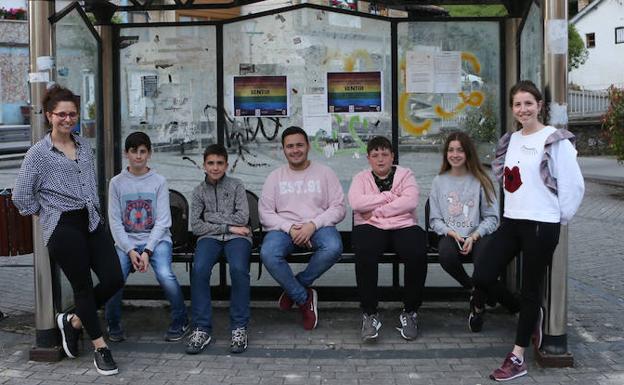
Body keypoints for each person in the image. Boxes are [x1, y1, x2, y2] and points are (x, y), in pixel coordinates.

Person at [472, 80, 584, 381]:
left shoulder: (554, 139)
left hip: (541, 224)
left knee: (531, 288)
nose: (523, 109)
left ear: (539, 106)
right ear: (512, 108)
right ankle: (530, 314)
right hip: (512, 220)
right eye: (517, 104)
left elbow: (574, 185)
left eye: (528, 103)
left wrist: (557, 218)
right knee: (482, 273)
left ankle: (517, 356)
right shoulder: (511, 140)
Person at [12, 85, 124, 376]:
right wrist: (48, 213)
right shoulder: (38, 154)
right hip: (63, 226)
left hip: (91, 221)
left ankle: (73, 322)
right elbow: (21, 197)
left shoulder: (84, 145)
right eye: (61, 114)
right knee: (83, 287)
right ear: (49, 116)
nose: (67, 119)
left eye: (72, 114)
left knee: (114, 277)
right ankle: (101, 347)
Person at [429, 131, 519, 332]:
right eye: (451, 150)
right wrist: (451, 233)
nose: (455, 154)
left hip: (479, 235)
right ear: (446, 154)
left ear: (468, 153)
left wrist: (475, 235)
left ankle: (477, 308)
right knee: (446, 255)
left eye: (460, 150)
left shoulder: (481, 179)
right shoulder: (439, 181)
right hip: (451, 235)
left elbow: (492, 217)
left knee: (484, 265)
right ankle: (475, 290)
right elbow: (434, 219)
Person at [259, 126, 345, 330]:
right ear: (283, 150)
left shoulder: (325, 173)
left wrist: (312, 225)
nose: (295, 150)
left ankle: (294, 288)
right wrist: (290, 228)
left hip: (318, 226)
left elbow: (339, 208)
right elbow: (265, 213)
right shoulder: (275, 177)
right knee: (268, 253)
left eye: (299, 145)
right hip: (284, 230)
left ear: (308, 146)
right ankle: (303, 298)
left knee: (333, 247)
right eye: (290, 146)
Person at [105, 132, 188, 343]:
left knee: (165, 274)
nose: (138, 156)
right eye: (134, 151)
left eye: (143, 151)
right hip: (127, 242)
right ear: (126, 154)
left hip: (157, 240)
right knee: (114, 278)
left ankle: (180, 320)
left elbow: (163, 221)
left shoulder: (159, 181)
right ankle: (113, 324)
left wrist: (148, 251)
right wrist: (131, 250)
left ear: (149, 153)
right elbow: (115, 222)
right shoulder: (116, 183)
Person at [348, 136, 427, 342]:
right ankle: (370, 314)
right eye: (375, 155)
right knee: (364, 252)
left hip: (402, 224)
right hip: (370, 227)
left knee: (417, 251)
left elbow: (410, 202)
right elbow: (356, 203)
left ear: (393, 156)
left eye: (385, 154)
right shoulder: (360, 178)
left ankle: (410, 312)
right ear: (368, 158)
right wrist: (389, 197)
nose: (380, 159)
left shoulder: (406, 175)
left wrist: (375, 212)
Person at [185, 144, 252, 355]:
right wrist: (228, 226)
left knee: (239, 270)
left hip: (238, 238)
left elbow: (244, 217)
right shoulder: (197, 192)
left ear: (227, 165)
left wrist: (211, 217)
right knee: (199, 270)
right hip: (210, 238)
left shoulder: (237, 186)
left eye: (220, 163)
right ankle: (202, 328)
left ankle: (239, 327)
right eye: (211, 163)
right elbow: (196, 226)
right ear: (203, 165)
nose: (215, 168)